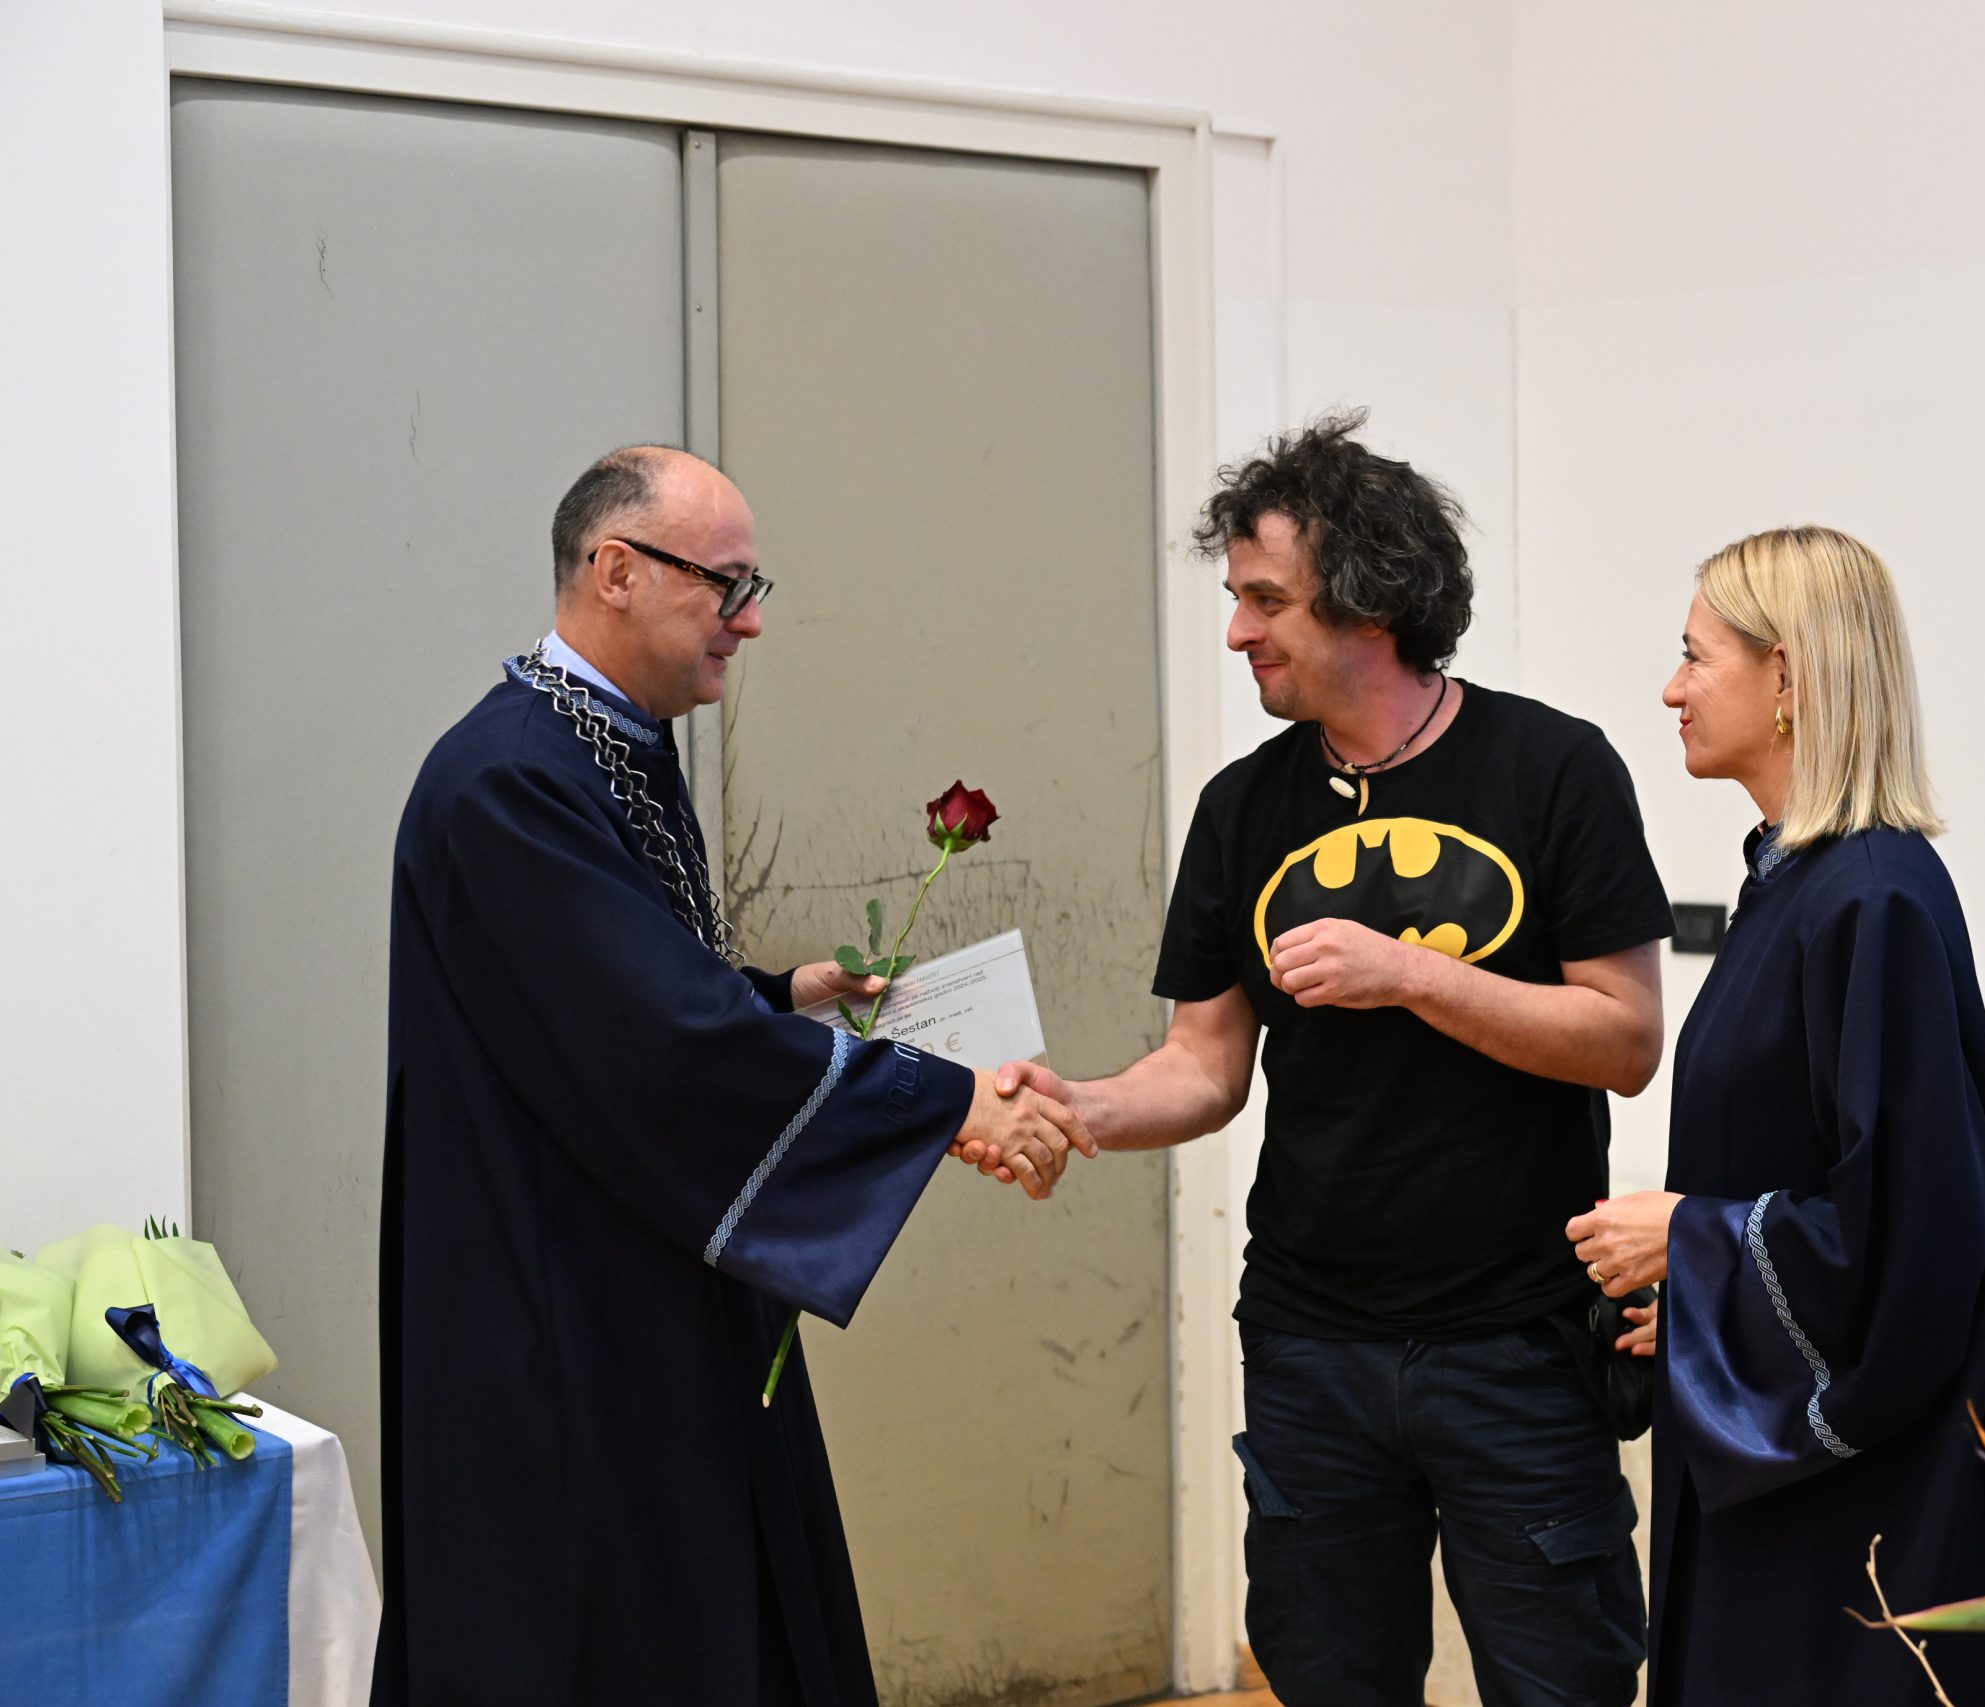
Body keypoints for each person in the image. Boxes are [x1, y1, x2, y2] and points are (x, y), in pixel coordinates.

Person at [375, 445, 1093, 1706]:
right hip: (559, 1325)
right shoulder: (509, 780)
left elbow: (620, 1010)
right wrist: (942, 1102)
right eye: (728, 584)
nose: (749, 620)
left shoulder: (599, 745)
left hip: (631, 1286)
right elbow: (658, 1048)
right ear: (616, 571)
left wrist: (778, 996)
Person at [981, 413, 1672, 1707]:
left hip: (1520, 1341)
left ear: (1371, 598)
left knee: (1563, 1683)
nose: (1237, 631)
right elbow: (1203, 1065)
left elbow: (1625, 1040)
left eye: (1265, 600)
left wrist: (1412, 973)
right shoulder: (1243, 806)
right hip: (1310, 1343)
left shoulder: (1552, 767)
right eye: (1236, 597)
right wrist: (1081, 1105)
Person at [1564, 525, 1985, 1704]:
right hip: (1785, 1480)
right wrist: (1706, 1307)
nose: (1670, 689)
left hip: (1852, 1512)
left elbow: (1921, 1233)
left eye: (1695, 656)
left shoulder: (1869, 900)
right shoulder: (1796, 883)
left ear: (1785, 677)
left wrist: (1689, 1237)